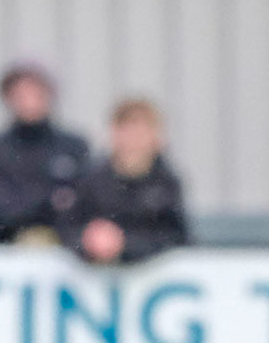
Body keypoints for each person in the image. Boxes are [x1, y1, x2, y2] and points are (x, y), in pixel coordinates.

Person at [0, 63, 89, 245]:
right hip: (7, 247)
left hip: (70, 247)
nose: (29, 102)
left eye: (36, 94)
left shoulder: (73, 146)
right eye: (21, 96)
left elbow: (83, 202)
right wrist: (50, 202)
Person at [64, 98, 188, 265]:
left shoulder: (166, 184)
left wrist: (125, 245)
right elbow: (68, 229)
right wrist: (88, 241)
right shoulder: (92, 180)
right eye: (127, 131)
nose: (133, 140)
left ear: (156, 137)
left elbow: (177, 238)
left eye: (141, 132)